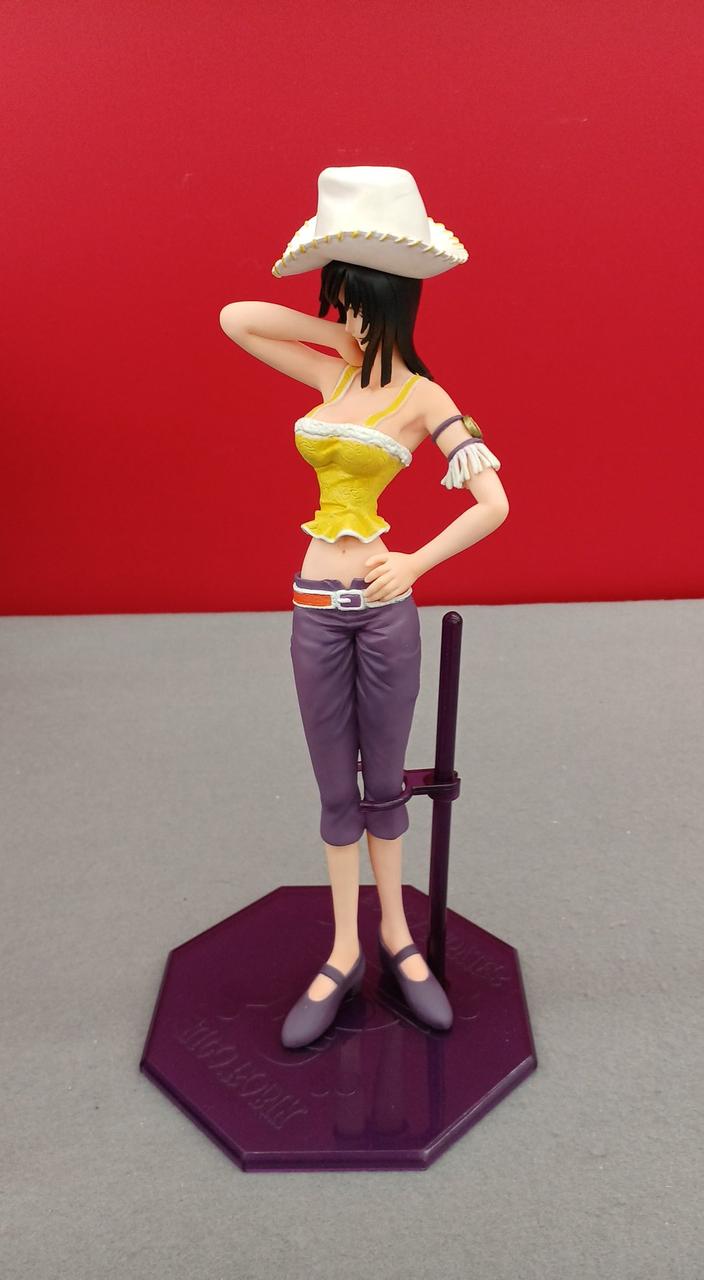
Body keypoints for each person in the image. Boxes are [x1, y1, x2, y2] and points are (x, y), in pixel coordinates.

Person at [219, 166, 509, 1048]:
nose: (343, 311)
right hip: (315, 601)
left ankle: (398, 938)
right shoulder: (330, 381)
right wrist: (338, 329)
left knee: (385, 783)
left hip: (384, 603)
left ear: (391, 299)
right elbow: (237, 318)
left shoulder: (426, 398)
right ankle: (345, 946)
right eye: (335, 296)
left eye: (354, 297)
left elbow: (493, 502)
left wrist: (415, 561)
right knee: (331, 786)